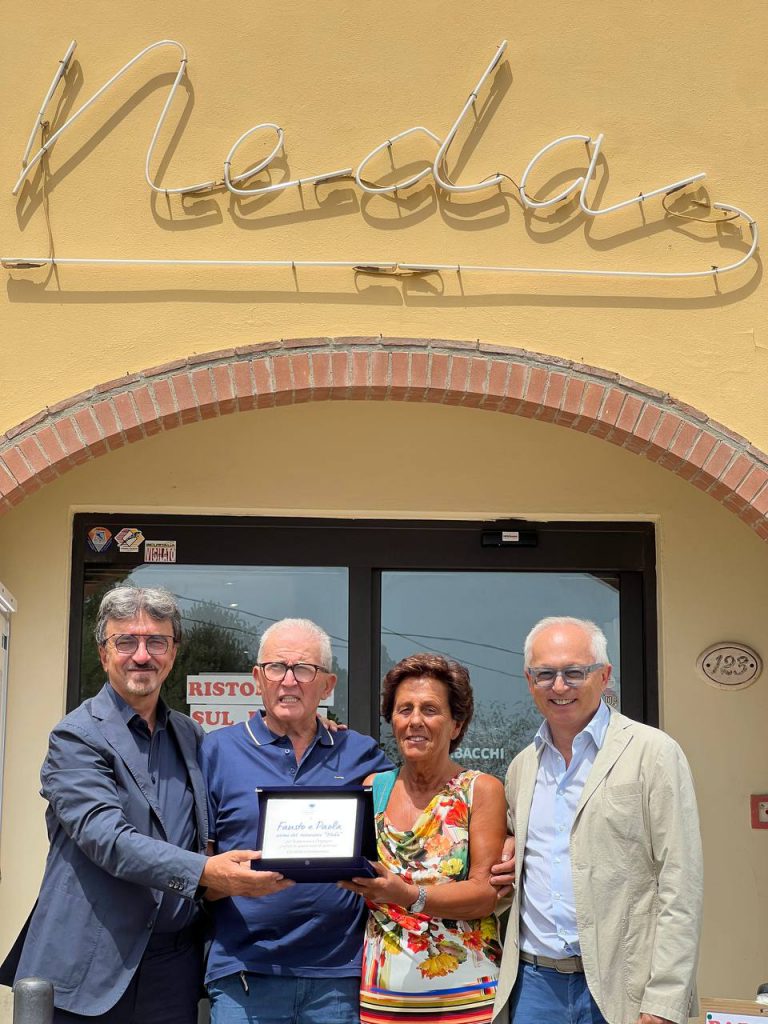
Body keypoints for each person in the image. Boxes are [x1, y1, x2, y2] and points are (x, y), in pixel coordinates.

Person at [0, 584, 291, 1024]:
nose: (142, 655)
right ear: (104, 653)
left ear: (173, 652)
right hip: (90, 969)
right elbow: (108, 839)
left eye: (156, 641)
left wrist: (306, 730)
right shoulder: (75, 737)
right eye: (126, 641)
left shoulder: (190, 736)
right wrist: (205, 872)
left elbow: (236, 786)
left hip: (172, 971)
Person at [492, 616, 703, 1024]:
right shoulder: (522, 766)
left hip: (623, 986)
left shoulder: (653, 753)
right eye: (545, 674)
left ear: (604, 676)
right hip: (535, 986)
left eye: (574, 672)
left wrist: (664, 1001)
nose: (559, 686)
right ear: (529, 680)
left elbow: (681, 884)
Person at [200, 617, 394, 1024]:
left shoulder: (360, 753)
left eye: (304, 669)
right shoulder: (216, 751)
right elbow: (195, 866)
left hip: (338, 978)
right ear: (258, 678)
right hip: (245, 973)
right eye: (276, 667)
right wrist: (231, 881)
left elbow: (423, 810)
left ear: (328, 685)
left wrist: (504, 833)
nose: (289, 681)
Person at [340, 653, 508, 1024]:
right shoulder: (373, 789)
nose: (415, 720)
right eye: (404, 709)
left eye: (430, 710)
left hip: (465, 998)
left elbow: (485, 894)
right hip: (383, 997)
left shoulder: (480, 790)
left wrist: (406, 894)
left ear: (456, 725)